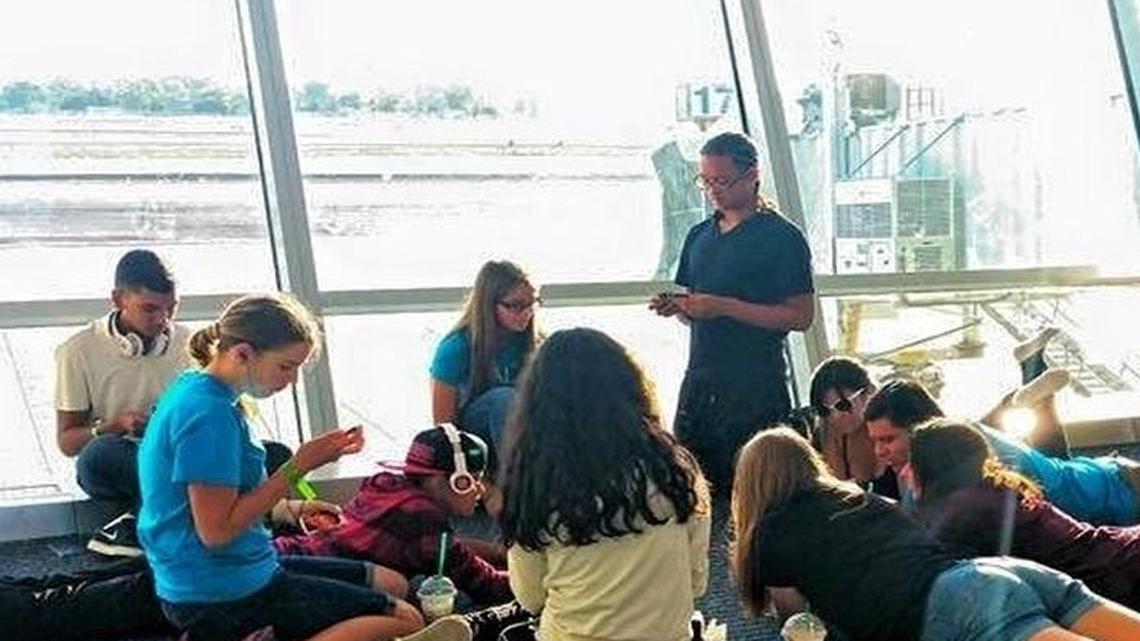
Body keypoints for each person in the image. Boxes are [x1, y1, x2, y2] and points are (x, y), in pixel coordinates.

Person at [137, 293, 470, 641]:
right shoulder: (208, 414)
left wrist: (291, 506)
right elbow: (216, 531)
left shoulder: (198, 388)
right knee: (405, 619)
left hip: (236, 565)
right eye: (286, 366)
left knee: (393, 583)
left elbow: (207, 502)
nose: (293, 380)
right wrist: (299, 465)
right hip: (218, 589)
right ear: (243, 354)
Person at [731, 427, 1140, 641]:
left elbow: (799, 625)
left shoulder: (771, 533)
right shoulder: (862, 500)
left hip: (953, 609)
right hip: (996, 573)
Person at [54, 249, 294, 557]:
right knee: (99, 454)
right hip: (127, 454)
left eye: (171, 308)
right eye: (150, 309)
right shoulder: (77, 351)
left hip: (190, 454)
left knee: (276, 455)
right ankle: (232, 516)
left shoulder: (190, 344)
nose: (162, 320)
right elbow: (67, 443)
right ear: (118, 300)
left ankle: (146, 522)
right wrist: (114, 426)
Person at [500, 328, 711, 641]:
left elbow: (530, 598)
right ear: (631, 387)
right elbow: (697, 583)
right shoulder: (676, 470)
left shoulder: (535, 484)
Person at [649, 131, 815, 494]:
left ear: (753, 175)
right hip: (701, 380)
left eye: (721, 180)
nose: (712, 190)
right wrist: (681, 308)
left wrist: (723, 306)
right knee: (695, 488)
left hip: (755, 383)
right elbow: (695, 303)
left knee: (755, 489)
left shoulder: (781, 238)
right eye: (705, 181)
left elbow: (800, 316)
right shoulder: (699, 236)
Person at [910, 418, 1140, 610]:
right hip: (1120, 552)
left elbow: (925, 569)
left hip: (1117, 571)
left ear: (926, 467)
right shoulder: (991, 488)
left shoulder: (963, 511)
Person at [274, 425, 514, 609]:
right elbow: (487, 585)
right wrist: (536, 576)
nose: (481, 490)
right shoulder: (425, 521)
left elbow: (450, 548)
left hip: (286, 554)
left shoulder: (386, 483)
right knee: (406, 617)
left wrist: (499, 552)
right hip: (306, 584)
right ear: (454, 481)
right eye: (474, 478)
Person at [864, 378, 1140, 525]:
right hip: (1103, 484)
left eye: (888, 439)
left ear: (919, 429)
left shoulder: (979, 459)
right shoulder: (916, 465)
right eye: (875, 441)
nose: (879, 452)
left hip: (1124, 488)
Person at [430, 260, 541, 467]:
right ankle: (522, 482)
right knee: (504, 399)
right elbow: (444, 428)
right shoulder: (456, 348)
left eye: (531, 304)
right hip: (473, 438)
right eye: (515, 305)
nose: (527, 313)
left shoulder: (533, 343)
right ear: (489, 305)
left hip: (524, 431)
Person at [807, 356, 898, 498]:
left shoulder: (897, 422)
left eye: (842, 405)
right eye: (824, 411)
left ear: (868, 392)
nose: (834, 417)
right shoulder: (823, 438)